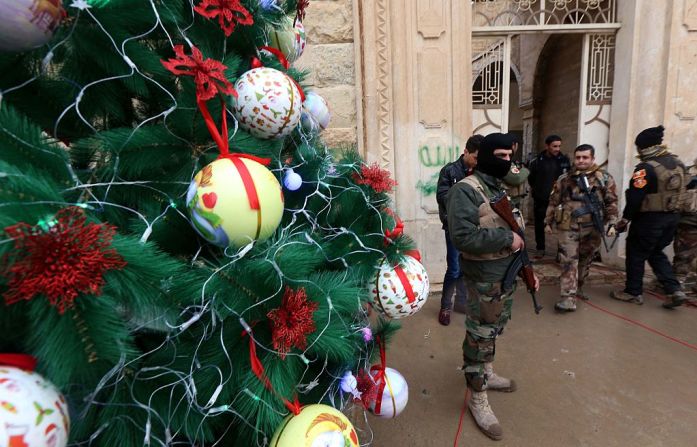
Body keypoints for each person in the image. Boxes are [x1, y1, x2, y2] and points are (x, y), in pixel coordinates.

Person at [447, 133, 539, 440]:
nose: (507, 161)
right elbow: (462, 237)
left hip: (506, 276)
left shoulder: (499, 188)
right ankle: (478, 398)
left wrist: (529, 271)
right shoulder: (466, 190)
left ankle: (487, 371)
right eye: (500, 155)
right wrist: (505, 239)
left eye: (509, 155)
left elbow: (518, 233)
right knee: (480, 335)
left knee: (495, 327)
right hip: (483, 278)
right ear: (485, 155)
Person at [611, 125, 688, 308]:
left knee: (636, 253)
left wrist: (625, 219)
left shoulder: (645, 168)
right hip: (672, 219)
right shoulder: (678, 164)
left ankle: (633, 292)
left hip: (649, 220)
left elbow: (636, 197)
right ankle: (674, 289)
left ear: (642, 147)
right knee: (655, 252)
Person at [544, 144, 618, 311]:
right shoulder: (564, 179)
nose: (581, 161)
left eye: (585, 157)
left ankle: (578, 287)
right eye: (578, 157)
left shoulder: (604, 178)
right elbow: (553, 201)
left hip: (593, 228)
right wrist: (547, 222)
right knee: (569, 261)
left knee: (585, 259)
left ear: (592, 158)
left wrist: (612, 222)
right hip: (568, 227)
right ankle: (568, 297)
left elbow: (611, 202)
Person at [436, 134, 483, 325]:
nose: (478, 162)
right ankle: (446, 307)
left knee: (467, 267)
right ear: (465, 152)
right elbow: (442, 197)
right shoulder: (449, 171)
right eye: (476, 157)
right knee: (454, 269)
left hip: (474, 228)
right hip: (454, 228)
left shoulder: (480, 173)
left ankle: (461, 303)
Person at [528, 135, 571, 256]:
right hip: (541, 198)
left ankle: (560, 252)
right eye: (554, 146)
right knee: (540, 224)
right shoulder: (537, 161)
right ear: (547, 146)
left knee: (562, 225)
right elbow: (531, 179)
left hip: (560, 200)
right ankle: (540, 248)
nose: (557, 149)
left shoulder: (564, 160)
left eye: (559, 146)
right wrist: (539, 190)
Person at [672, 157, 697, 300]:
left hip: (689, 221)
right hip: (689, 222)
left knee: (684, 255)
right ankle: (677, 286)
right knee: (684, 254)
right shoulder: (687, 173)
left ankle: (677, 286)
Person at [503, 134, 530, 211]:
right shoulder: (505, 161)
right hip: (507, 200)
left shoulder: (510, 161)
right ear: (514, 145)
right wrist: (526, 170)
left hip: (513, 199)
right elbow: (516, 178)